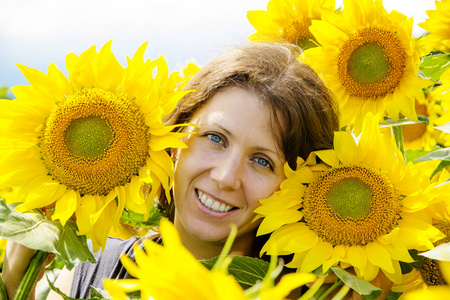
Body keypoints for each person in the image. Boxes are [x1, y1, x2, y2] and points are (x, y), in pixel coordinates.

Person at [2, 42, 339, 299]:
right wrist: (17, 283)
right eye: (215, 138)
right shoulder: (94, 270)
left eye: (262, 161)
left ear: (298, 188)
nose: (225, 177)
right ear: (175, 137)